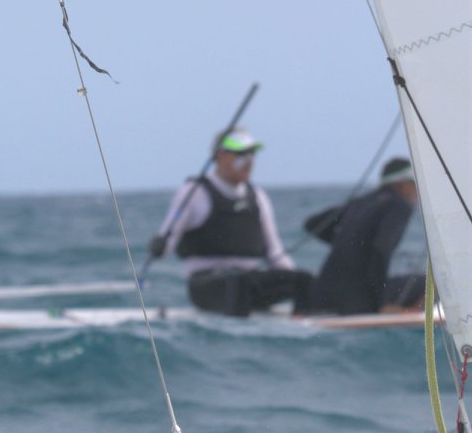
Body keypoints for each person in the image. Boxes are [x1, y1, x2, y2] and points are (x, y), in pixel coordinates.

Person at [148, 128, 310, 317]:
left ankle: (303, 324)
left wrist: (291, 280)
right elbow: (166, 243)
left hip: (248, 282)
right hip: (207, 285)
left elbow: (275, 253)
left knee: (304, 280)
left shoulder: (258, 197)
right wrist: (159, 246)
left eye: (252, 154)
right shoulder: (193, 193)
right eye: (241, 154)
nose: (249, 161)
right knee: (237, 284)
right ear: (220, 156)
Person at [305, 158, 425, 315]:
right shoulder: (399, 205)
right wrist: (379, 305)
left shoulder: (362, 202)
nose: (418, 192)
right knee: (431, 283)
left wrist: (349, 244)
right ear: (403, 185)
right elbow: (380, 251)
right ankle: (405, 311)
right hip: (356, 301)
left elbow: (313, 224)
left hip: (322, 296)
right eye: (416, 185)